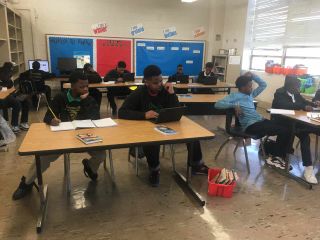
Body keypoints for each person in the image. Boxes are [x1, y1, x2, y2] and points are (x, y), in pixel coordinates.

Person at [12, 72, 106, 200]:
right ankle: (27, 183)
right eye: (81, 87)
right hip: (63, 139)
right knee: (43, 158)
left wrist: (84, 102)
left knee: (101, 154)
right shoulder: (60, 98)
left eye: (86, 86)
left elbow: (95, 118)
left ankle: (90, 167)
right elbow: (48, 116)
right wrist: (51, 120)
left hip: (85, 137)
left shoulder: (90, 99)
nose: (85, 89)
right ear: (72, 86)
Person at [118, 65, 208, 187]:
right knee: (152, 141)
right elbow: (122, 112)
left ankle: (196, 164)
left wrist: (171, 94)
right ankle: (154, 169)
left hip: (164, 124)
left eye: (161, 80)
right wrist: (144, 115)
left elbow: (176, 110)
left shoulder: (165, 91)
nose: (160, 84)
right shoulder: (139, 93)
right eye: (156, 82)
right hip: (146, 128)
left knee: (192, 134)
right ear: (146, 82)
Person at [215, 72, 291, 169]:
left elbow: (263, 84)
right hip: (251, 126)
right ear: (242, 88)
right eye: (250, 86)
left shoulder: (250, 95)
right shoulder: (234, 96)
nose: (251, 88)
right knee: (283, 130)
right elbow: (217, 104)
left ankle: (278, 155)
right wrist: (234, 105)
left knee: (287, 128)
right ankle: (275, 157)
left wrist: (253, 76)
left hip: (260, 121)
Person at [272, 75, 319, 184]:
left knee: (306, 135)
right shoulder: (279, 93)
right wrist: (302, 107)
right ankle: (307, 167)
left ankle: (308, 168)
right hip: (282, 122)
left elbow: (303, 101)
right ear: (290, 86)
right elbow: (284, 105)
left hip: (295, 122)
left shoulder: (296, 93)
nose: (299, 89)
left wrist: (313, 103)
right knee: (305, 136)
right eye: (297, 86)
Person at [0, 62, 30, 133]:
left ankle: (23, 122)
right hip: (2, 98)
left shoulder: (8, 78)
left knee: (26, 101)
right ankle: (14, 125)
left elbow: (10, 89)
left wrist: (16, 93)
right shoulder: (3, 76)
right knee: (16, 103)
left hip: (8, 95)